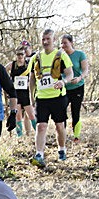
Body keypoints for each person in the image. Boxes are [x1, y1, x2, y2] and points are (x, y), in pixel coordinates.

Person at [28, 29, 74, 168]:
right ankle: (39, 154)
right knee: (41, 126)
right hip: (41, 98)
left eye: (48, 39)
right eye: (43, 39)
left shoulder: (61, 55)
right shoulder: (35, 58)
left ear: (54, 40)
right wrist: (31, 98)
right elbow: (31, 79)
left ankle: (61, 149)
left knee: (59, 126)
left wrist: (63, 82)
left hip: (58, 97)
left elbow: (70, 74)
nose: (45, 41)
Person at [60, 34, 89, 144]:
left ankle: (76, 136)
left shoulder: (80, 54)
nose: (63, 45)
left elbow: (85, 70)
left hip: (78, 87)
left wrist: (79, 78)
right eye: (61, 43)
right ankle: (63, 134)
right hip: (65, 88)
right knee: (62, 110)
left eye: (65, 43)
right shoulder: (60, 56)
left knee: (75, 111)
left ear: (71, 43)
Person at [7, 47, 36, 138]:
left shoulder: (28, 65)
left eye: (22, 54)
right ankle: (19, 135)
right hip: (15, 94)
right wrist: (8, 82)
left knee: (31, 114)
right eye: (18, 54)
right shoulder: (12, 65)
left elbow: (35, 73)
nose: (20, 56)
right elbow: (3, 71)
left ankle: (38, 133)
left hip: (26, 94)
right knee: (18, 115)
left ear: (25, 55)